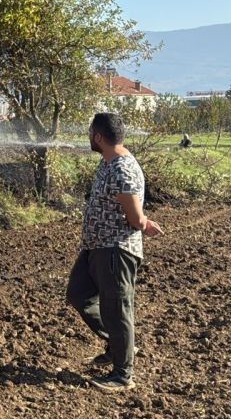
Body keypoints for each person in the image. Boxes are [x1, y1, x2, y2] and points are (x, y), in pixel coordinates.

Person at [66, 112, 164, 392]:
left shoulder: (122, 168)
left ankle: (123, 374)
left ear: (98, 136)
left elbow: (134, 217)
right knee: (78, 294)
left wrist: (145, 224)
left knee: (118, 308)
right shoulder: (108, 163)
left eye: (90, 133)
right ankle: (118, 343)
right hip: (96, 247)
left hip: (116, 249)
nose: (89, 138)